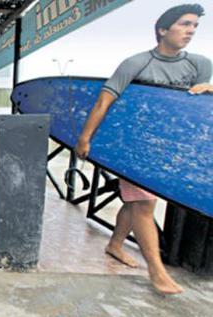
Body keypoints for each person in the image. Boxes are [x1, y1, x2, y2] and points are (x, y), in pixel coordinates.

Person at [75, 4, 212, 294]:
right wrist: (84, 139)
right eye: (184, 24)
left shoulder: (200, 64)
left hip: (169, 149)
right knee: (144, 204)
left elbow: (199, 114)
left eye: (194, 26)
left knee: (135, 202)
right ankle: (157, 272)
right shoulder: (136, 63)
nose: (190, 31)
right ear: (163, 30)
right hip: (133, 146)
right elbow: (104, 102)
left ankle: (114, 245)